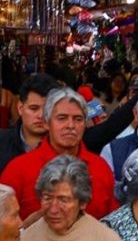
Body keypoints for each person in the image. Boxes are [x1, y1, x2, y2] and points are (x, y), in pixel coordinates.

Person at [0, 87, 117, 220]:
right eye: (62, 118)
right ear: (46, 123)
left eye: (78, 119)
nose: (70, 125)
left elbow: (111, 222)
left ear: (85, 123)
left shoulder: (101, 168)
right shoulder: (18, 169)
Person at [0, 73, 59, 173]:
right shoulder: (2, 142)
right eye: (34, 108)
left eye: (47, 109)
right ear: (20, 108)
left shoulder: (66, 146)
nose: (41, 115)